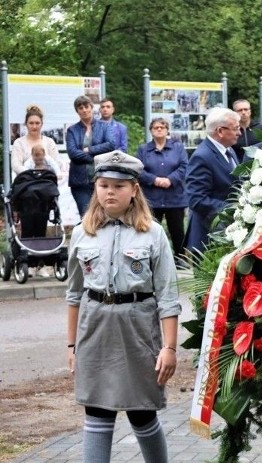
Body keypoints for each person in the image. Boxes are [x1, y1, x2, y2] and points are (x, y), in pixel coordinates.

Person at [66, 150, 181, 463]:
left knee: (141, 413)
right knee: (96, 411)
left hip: (138, 328)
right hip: (95, 328)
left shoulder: (154, 234)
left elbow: (168, 296)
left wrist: (169, 348)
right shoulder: (81, 233)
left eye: (118, 186)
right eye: (103, 185)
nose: (110, 192)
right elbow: (74, 293)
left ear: (134, 189)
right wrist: (72, 345)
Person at [184, 108, 240, 254]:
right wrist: (235, 209)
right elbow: (196, 199)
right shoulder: (202, 156)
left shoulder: (229, 150)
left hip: (226, 234)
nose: (239, 133)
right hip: (208, 238)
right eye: (235, 129)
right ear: (220, 131)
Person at [137, 118, 189, 268]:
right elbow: (138, 169)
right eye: (155, 127)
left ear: (167, 130)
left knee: (177, 230)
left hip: (175, 196)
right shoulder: (143, 149)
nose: (159, 129)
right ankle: (153, 259)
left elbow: (184, 166)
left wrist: (170, 179)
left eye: (162, 127)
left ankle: (180, 259)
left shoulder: (178, 148)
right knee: (151, 230)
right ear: (151, 131)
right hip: (152, 198)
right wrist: (154, 180)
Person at [66, 95, 116, 216]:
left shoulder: (104, 126)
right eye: (80, 108)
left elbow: (110, 145)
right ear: (77, 111)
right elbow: (72, 152)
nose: (84, 110)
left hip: (102, 178)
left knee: (105, 215)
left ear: (92, 107)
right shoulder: (72, 130)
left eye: (86, 106)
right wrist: (93, 158)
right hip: (80, 181)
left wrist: (89, 149)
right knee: (86, 216)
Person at [11, 104, 61, 177]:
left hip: (46, 181)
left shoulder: (49, 142)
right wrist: (33, 174)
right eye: (31, 123)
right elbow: (16, 165)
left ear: (42, 124)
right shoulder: (19, 143)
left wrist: (44, 174)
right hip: (26, 182)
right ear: (26, 124)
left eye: (37, 123)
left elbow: (57, 163)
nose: (34, 126)